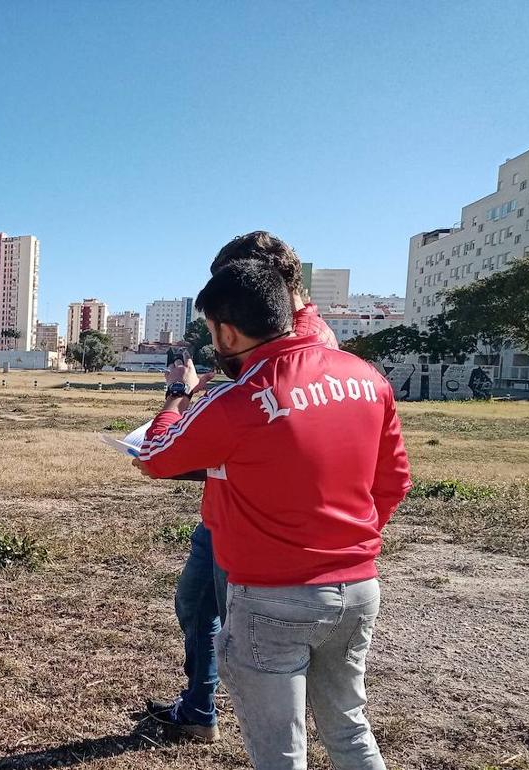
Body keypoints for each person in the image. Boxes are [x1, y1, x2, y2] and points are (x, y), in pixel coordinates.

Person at [136, 260, 411, 769]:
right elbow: (393, 480)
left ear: (226, 330)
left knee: (280, 753)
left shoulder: (241, 400)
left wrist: (177, 393)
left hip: (272, 598)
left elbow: (156, 456)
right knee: (350, 728)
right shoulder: (367, 377)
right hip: (358, 587)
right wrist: (348, 541)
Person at [145, 231, 341, 742]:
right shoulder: (263, 341)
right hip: (225, 505)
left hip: (259, 524)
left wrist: (180, 397)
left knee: (255, 656)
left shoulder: (305, 346)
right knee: (195, 605)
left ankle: (234, 716)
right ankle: (198, 707)